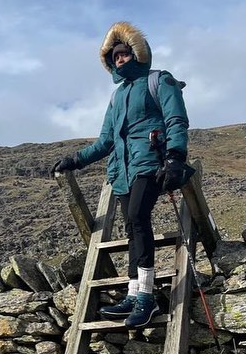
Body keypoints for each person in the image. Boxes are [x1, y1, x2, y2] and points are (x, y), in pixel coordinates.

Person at [52, 21, 192, 328]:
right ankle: (133, 292)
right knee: (132, 225)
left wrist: (175, 158)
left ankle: (146, 299)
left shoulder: (160, 80)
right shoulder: (116, 97)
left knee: (139, 218)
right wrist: (75, 160)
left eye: (124, 53)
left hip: (150, 162)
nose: (119, 59)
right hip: (123, 170)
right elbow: (105, 142)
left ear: (137, 53)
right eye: (114, 56)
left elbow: (176, 120)